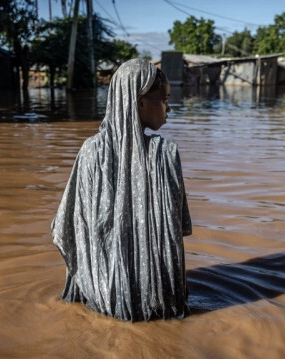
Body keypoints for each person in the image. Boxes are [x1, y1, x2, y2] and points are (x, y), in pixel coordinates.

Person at [51, 58, 192, 321]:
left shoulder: (90, 152)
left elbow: (67, 226)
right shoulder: (164, 152)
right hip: (159, 301)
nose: (169, 108)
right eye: (164, 100)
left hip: (101, 297)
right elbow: (179, 227)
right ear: (139, 103)